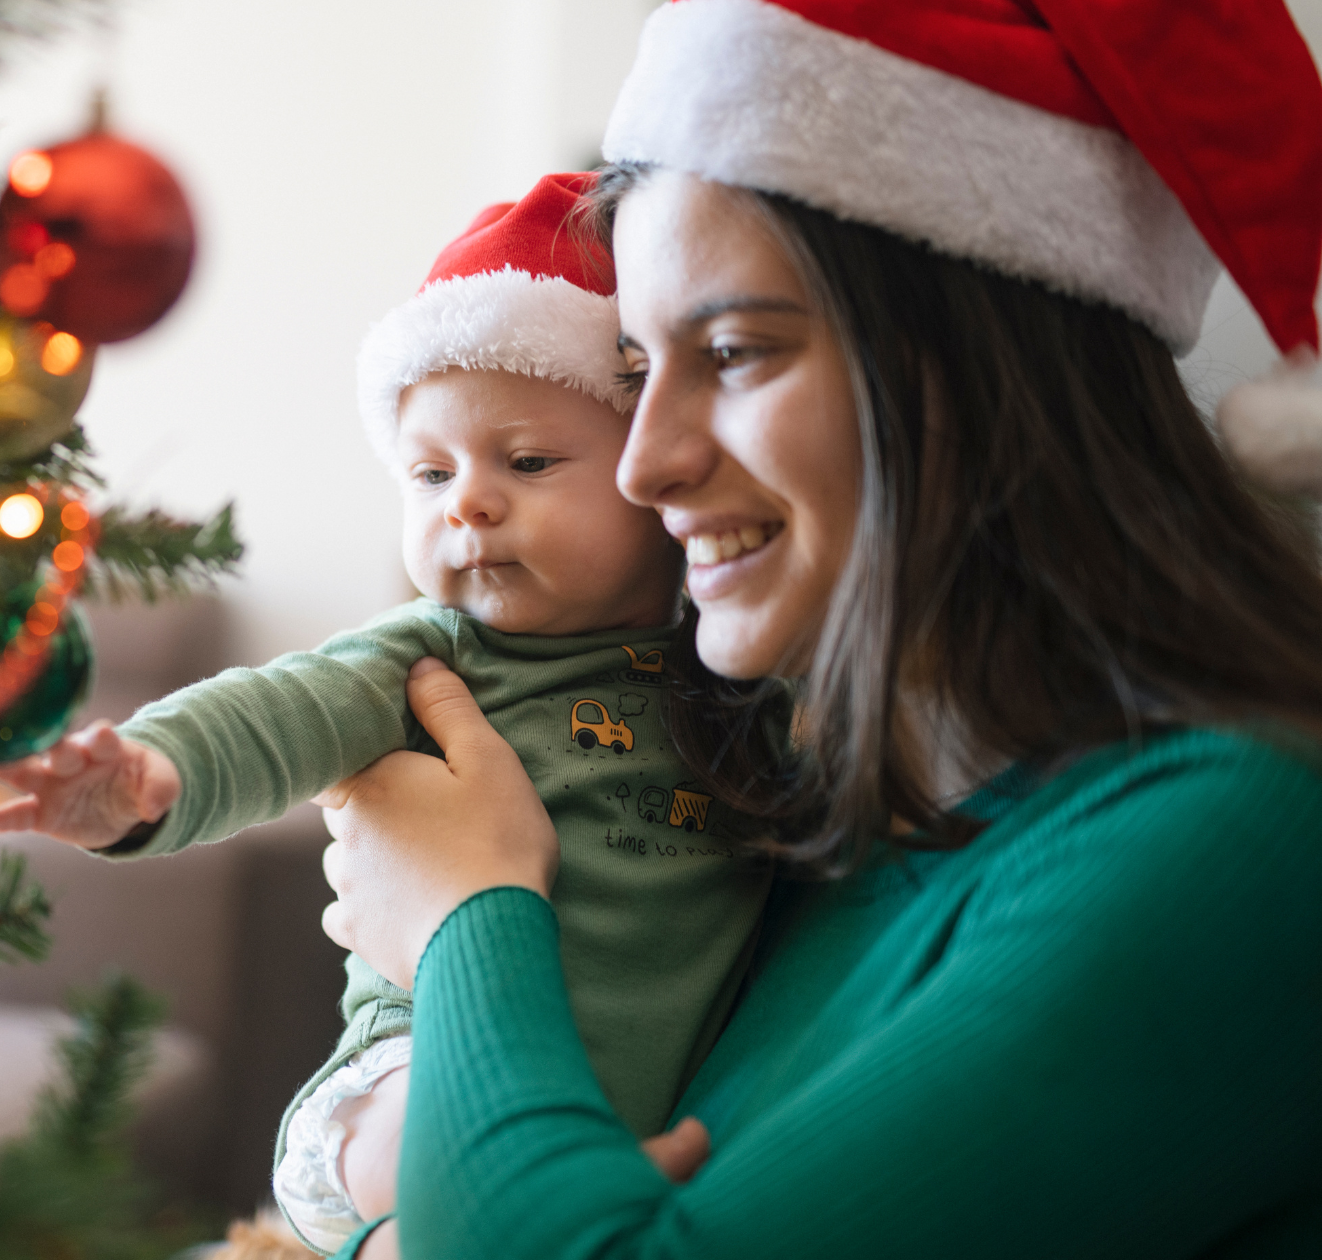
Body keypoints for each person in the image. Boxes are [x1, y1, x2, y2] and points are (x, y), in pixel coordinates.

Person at [313, 1, 1322, 1256]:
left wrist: (465, 910)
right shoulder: (778, 806)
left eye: (732, 352)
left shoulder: (1233, 842)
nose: (643, 466)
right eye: (634, 375)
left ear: (982, 361)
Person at [0, 173, 789, 1253]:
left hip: (640, 1112)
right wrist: (146, 776)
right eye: (427, 472)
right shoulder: (429, 656)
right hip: (404, 1083)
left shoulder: (734, 675)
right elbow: (271, 714)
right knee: (435, 1140)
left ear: (651, 474)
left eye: (528, 461)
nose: (465, 502)